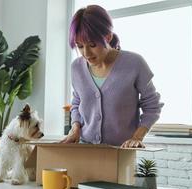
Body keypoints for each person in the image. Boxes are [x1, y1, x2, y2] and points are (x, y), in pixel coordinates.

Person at [61, 5, 164, 148]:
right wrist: (75, 128)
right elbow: (77, 102)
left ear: (108, 37)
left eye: (92, 44)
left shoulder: (134, 64)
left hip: (122, 152)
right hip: (85, 149)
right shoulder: (76, 68)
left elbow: (152, 106)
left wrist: (136, 138)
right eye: (79, 46)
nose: (86, 53)